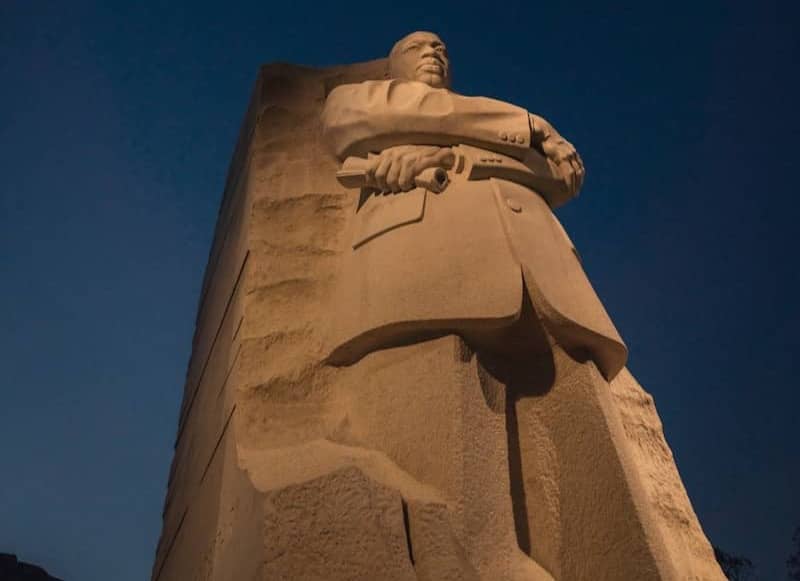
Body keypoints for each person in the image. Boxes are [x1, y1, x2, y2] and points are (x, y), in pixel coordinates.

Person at [321, 31, 627, 381]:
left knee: (578, 409)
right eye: (415, 47)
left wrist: (452, 156)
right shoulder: (355, 98)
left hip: (545, 276)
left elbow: (564, 175)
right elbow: (354, 122)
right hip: (425, 265)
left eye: (440, 47)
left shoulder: (489, 119)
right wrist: (531, 125)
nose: (432, 52)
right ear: (388, 74)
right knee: (438, 396)